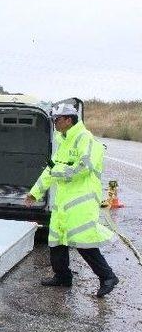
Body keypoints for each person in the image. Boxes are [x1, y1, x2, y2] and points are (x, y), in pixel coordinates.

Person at [25, 103, 118, 297]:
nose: (54, 123)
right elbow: (51, 170)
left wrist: (58, 171)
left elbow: (83, 168)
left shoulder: (86, 139)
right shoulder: (63, 141)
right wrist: (35, 192)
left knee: (82, 241)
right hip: (63, 202)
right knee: (56, 240)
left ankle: (108, 277)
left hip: (82, 201)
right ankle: (62, 277)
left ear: (69, 120)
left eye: (56, 120)